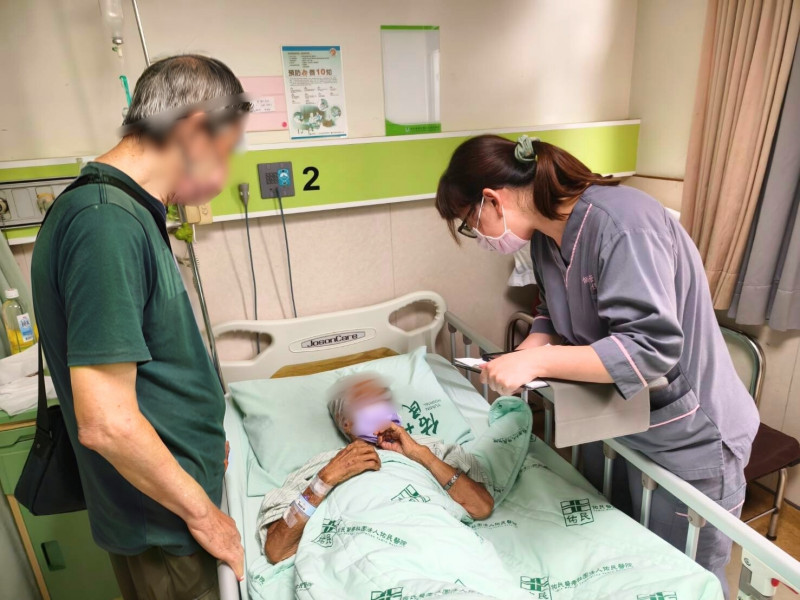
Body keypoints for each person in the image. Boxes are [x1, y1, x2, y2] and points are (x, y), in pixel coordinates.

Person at [434, 134, 759, 598]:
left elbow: (650, 348)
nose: (480, 237)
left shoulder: (624, 222)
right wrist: (530, 346)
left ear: (492, 199)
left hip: (688, 432)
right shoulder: (546, 240)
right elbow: (553, 307)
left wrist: (539, 360)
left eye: (471, 224)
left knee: (684, 580)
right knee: (625, 564)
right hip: (621, 420)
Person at [31, 55, 252, 600]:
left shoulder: (123, 211)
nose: (222, 174)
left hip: (168, 509)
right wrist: (206, 516)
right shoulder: (105, 223)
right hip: (167, 530)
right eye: (224, 152)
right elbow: (106, 422)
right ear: (194, 130)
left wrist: (200, 441)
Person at [258, 373, 495, 563]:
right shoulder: (321, 466)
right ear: (346, 422)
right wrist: (324, 480)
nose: (382, 406)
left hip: (437, 543)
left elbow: (481, 507)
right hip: (362, 554)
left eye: (385, 399)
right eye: (368, 401)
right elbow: (276, 549)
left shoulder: (431, 448)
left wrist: (422, 456)